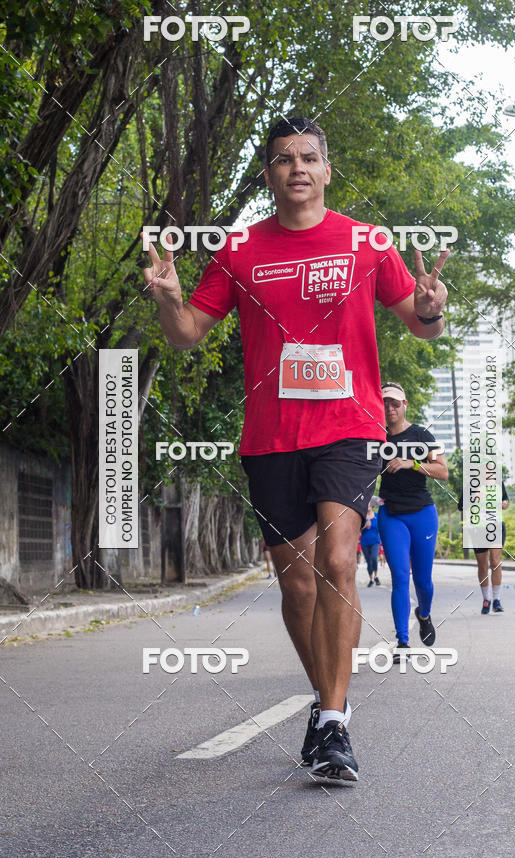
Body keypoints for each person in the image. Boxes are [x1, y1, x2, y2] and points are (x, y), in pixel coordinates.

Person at [142, 117, 448, 781]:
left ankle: (335, 723)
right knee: (298, 580)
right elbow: (188, 333)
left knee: (339, 558)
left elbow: (419, 326)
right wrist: (168, 298)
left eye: (309, 157)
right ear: (269, 174)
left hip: (349, 427)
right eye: (283, 159)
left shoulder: (367, 242)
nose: (297, 168)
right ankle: (324, 702)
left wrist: (431, 307)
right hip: (273, 436)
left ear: (327, 170)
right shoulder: (240, 248)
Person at [377, 383, 448, 661]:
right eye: (385, 403)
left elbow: (443, 471)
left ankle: (424, 614)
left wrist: (412, 463)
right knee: (399, 578)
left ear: (404, 404)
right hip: (391, 515)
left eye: (395, 403)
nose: (390, 408)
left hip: (422, 513)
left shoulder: (421, 434)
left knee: (423, 581)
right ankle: (402, 643)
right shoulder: (376, 437)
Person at [458, 483, 509, 613]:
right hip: (478, 527)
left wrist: (503, 504)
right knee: (482, 565)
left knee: (495, 562)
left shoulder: (498, 483)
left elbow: (506, 501)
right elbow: (461, 506)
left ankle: (496, 599)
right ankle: (486, 599)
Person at [360, 505, 381, 586]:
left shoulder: (377, 516)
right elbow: (357, 529)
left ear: (372, 506)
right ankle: (371, 579)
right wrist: (365, 525)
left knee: (374, 557)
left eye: (369, 504)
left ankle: (376, 576)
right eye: (367, 504)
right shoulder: (362, 516)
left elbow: (381, 528)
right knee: (369, 561)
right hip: (364, 542)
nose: (368, 506)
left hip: (375, 541)